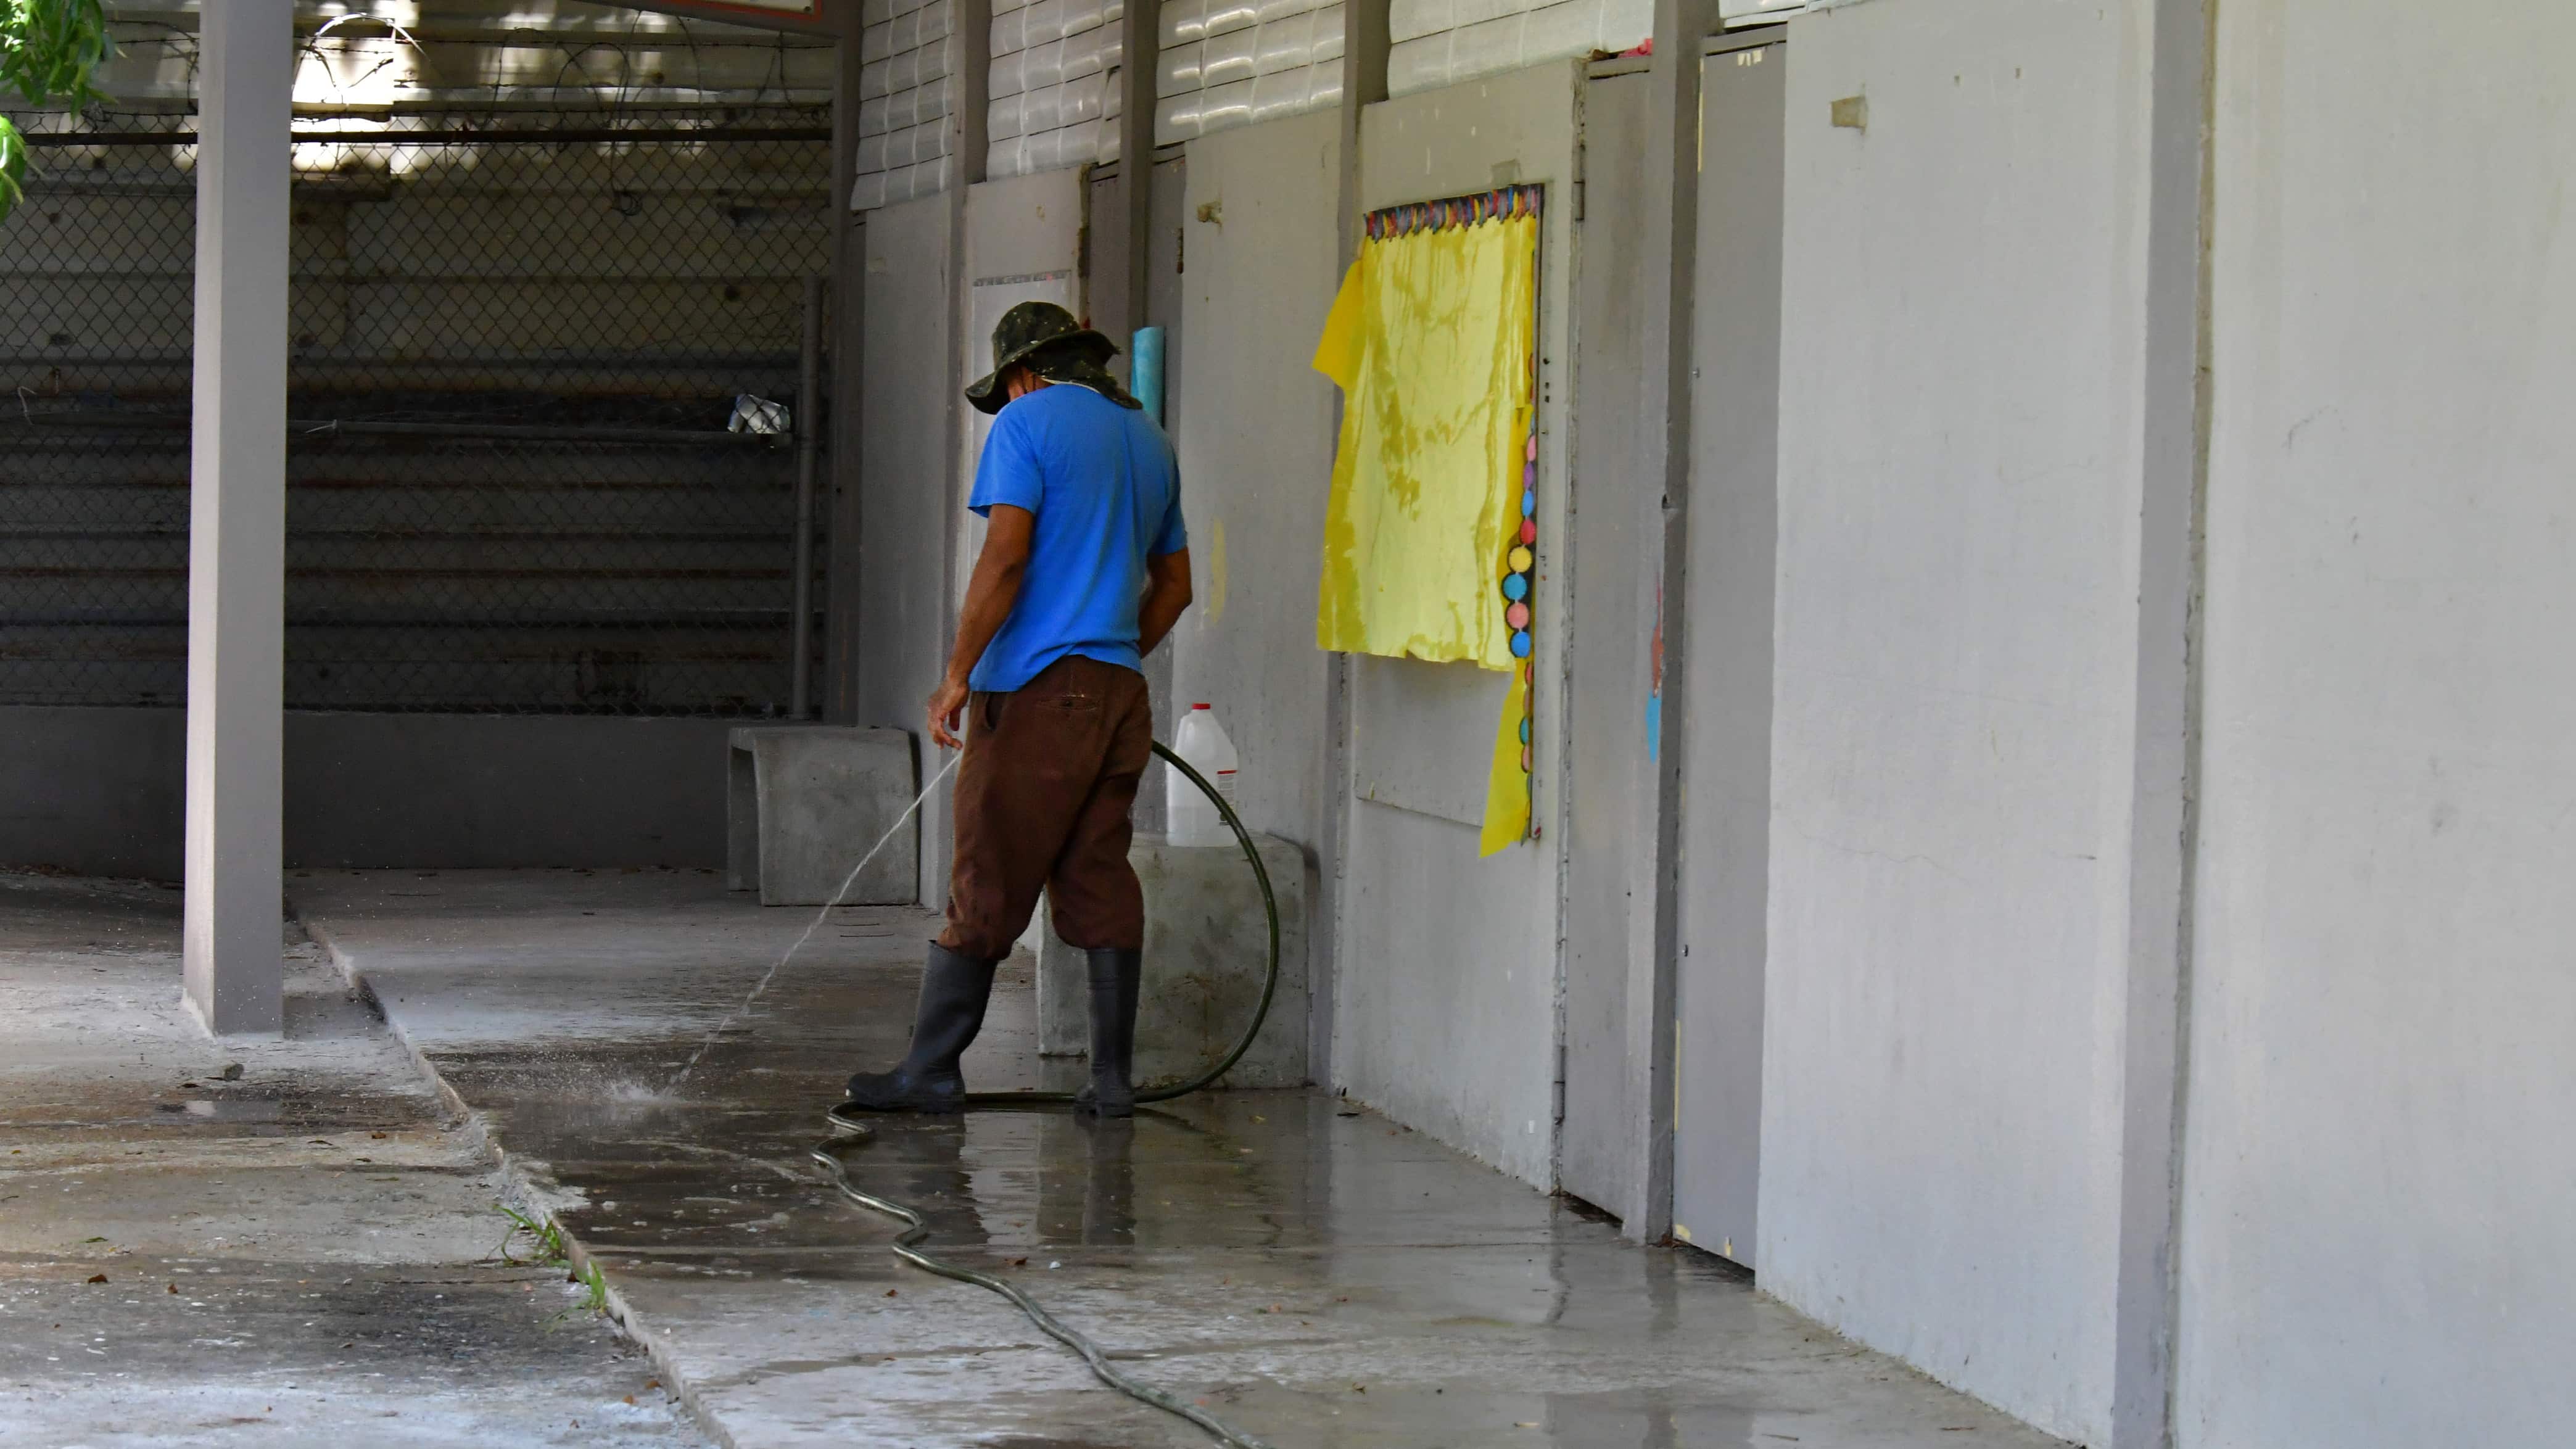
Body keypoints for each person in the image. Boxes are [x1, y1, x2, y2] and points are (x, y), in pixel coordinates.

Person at [843, 302, 1192, 1119]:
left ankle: (931, 1070)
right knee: (1097, 873)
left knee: (987, 872)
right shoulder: (1150, 440)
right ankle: (1110, 1081)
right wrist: (1107, 656)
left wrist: (957, 675)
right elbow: (1175, 586)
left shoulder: (1028, 423)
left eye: (1005, 392)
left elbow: (1006, 554)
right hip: (1117, 694)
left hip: (1035, 691)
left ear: (1023, 375)